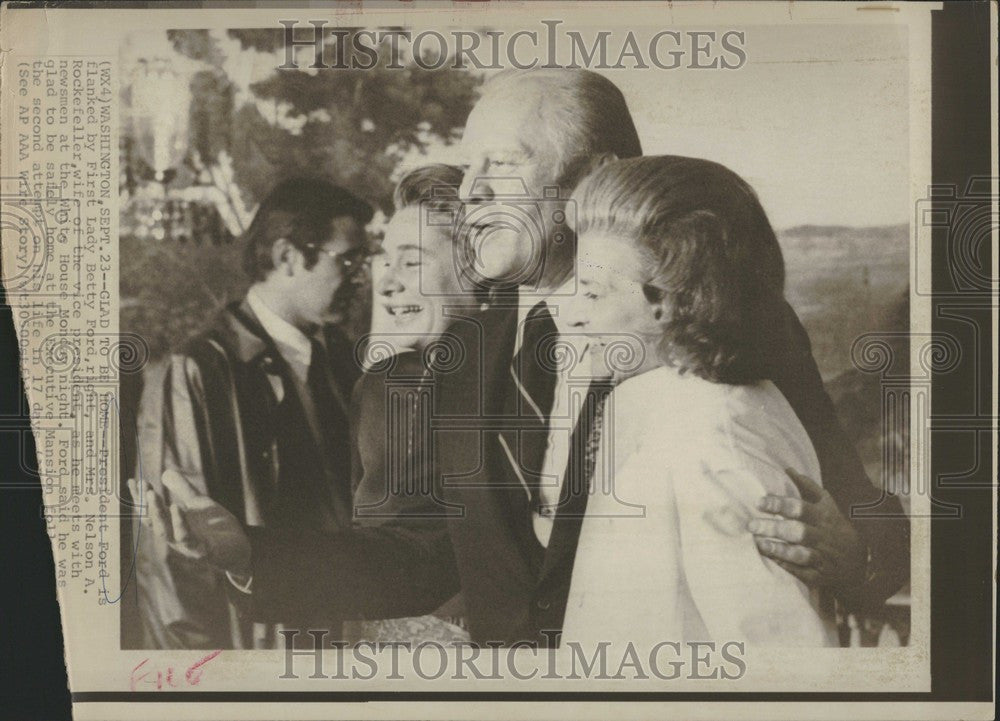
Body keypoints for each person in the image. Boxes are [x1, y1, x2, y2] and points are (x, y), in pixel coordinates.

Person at [138, 68, 909, 647]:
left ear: (595, 175)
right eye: (467, 168)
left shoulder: (721, 321)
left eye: (499, 168)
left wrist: (854, 553)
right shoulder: (467, 350)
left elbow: (858, 511)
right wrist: (250, 556)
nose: (469, 192)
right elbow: (423, 554)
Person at [559, 155, 838, 646]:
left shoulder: (714, 433)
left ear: (671, 302)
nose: (572, 317)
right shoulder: (659, 406)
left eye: (593, 294)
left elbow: (781, 660)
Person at [131, 177, 372, 649]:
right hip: (256, 656)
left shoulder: (341, 359)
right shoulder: (197, 370)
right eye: (348, 260)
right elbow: (175, 563)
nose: (360, 278)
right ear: (286, 257)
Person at [344, 164, 474, 644]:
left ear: (474, 263)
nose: (386, 284)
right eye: (386, 260)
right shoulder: (376, 387)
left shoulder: (527, 384)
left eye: (412, 261)